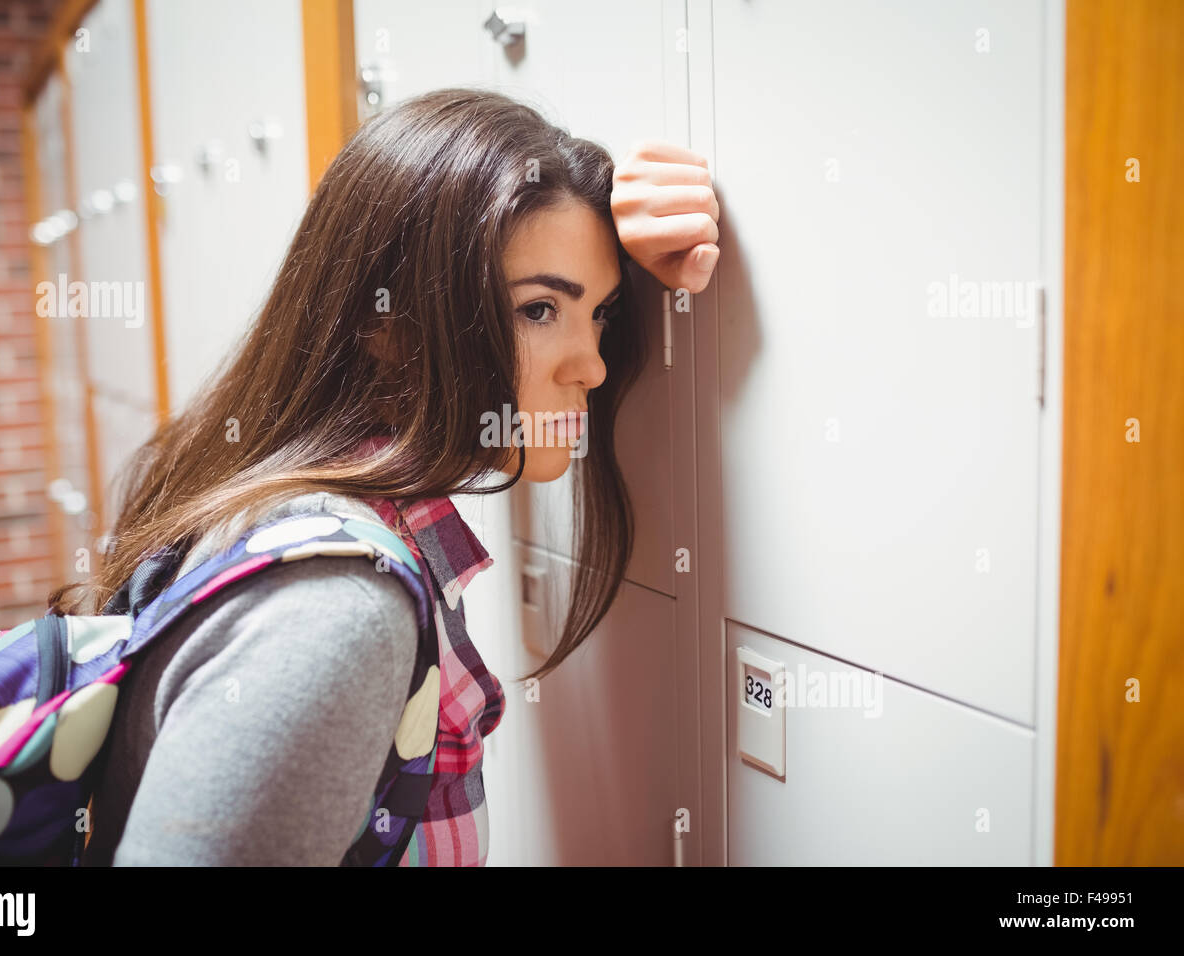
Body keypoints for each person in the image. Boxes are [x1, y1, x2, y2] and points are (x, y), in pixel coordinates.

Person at [50, 87, 719, 866]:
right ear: (385, 325)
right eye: (540, 310)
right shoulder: (336, 608)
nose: (593, 366)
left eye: (599, 312)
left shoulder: (299, 504)